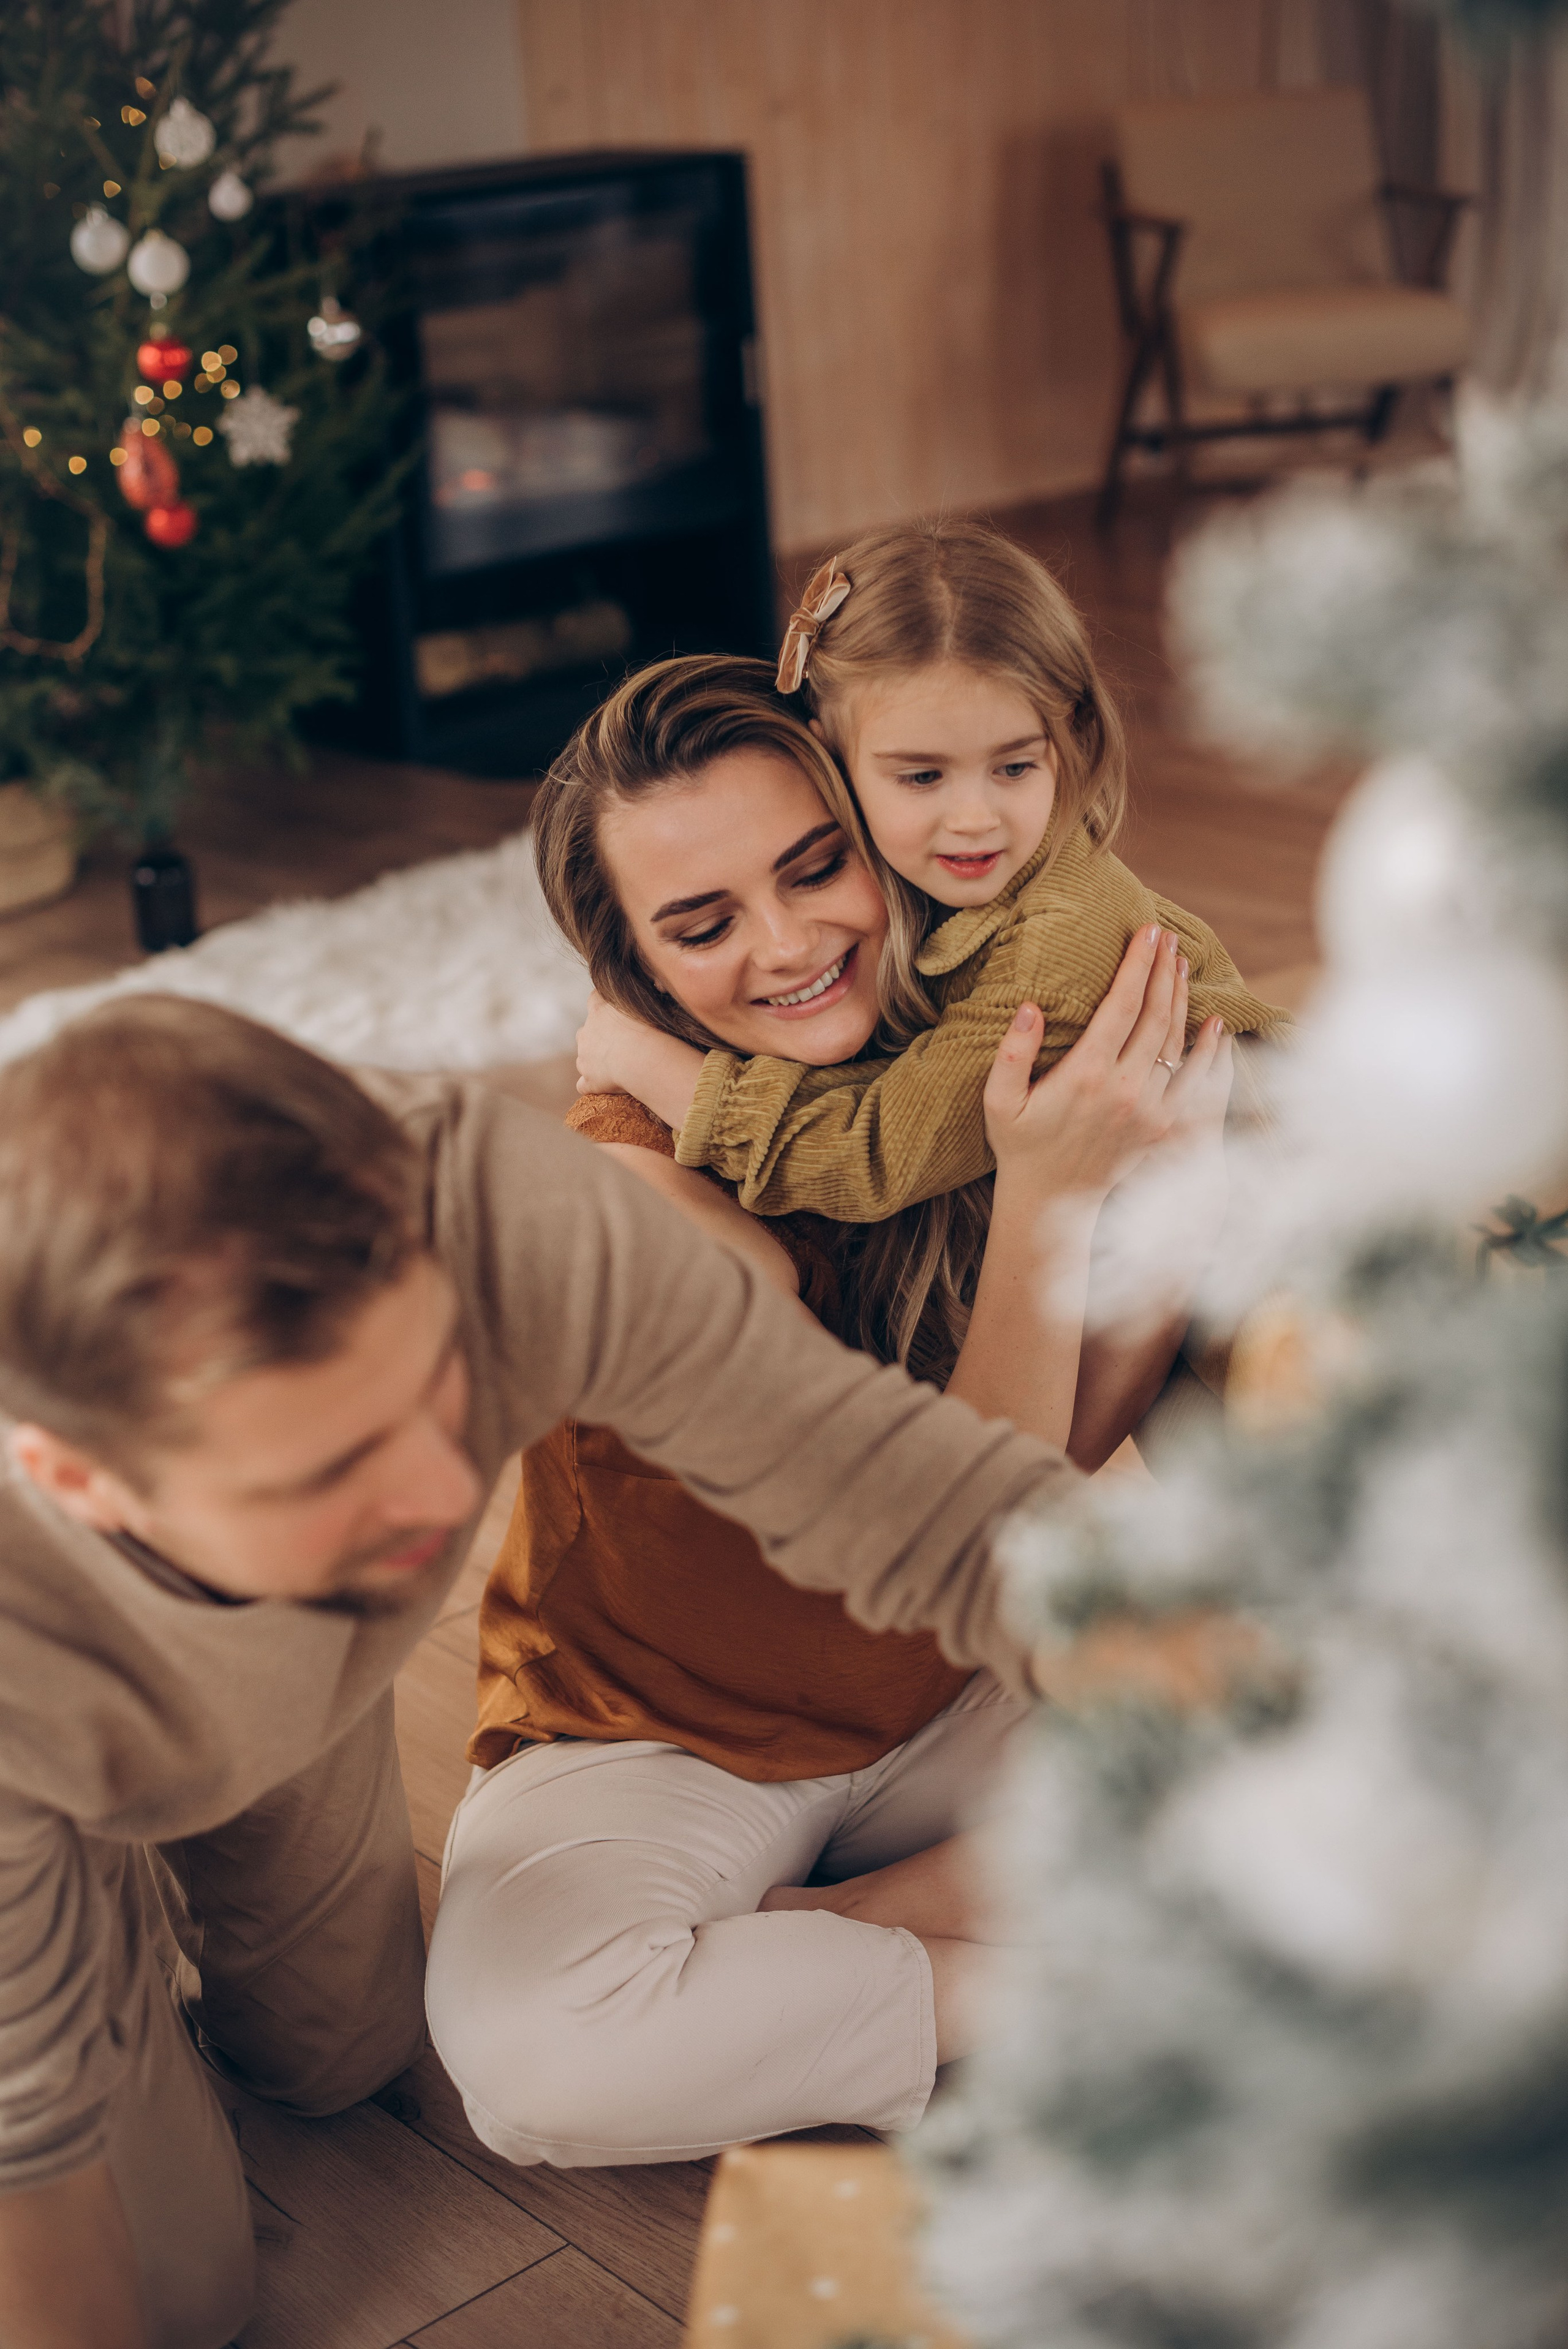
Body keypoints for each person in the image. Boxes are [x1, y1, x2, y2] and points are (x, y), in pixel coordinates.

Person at [0, 994, 1155, 2349]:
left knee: (338, 2064)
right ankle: (90, 1893)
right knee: (184, 2302)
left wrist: (1282, 1725)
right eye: (330, 1469)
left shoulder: (481, 1209)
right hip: (54, 1748)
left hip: (295, 1679)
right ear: (78, 1478)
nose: (443, 1490)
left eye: (437, 1385)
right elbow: (33, 2165)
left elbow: (897, 1490)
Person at [425, 658, 1232, 2170]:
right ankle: (1063, 1973)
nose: (792, 944)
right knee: (536, 2059)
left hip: (952, 1698)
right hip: (659, 1739)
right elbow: (949, 1516)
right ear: (633, 971)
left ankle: (846, 1928)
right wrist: (1056, 1187)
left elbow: (1070, 1452)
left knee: (1368, 1751)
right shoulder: (629, 1190)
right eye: (702, 921)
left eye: (815, 865)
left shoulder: (977, 1056)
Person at [573, 517, 1286, 1221]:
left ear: (1068, 741)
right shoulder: (946, 886)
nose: (974, 818)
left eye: (1013, 766)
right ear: (832, 758)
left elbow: (873, 1160)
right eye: (921, 778)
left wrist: (652, 1068)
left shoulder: (1053, 948)